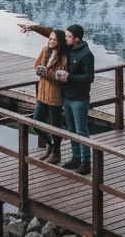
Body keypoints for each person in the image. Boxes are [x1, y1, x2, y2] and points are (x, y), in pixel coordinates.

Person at [19, 20, 95, 175]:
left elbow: (89, 78)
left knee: (81, 130)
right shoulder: (69, 48)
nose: (66, 39)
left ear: (76, 39)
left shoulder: (85, 54)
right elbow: (52, 34)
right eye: (65, 37)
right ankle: (75, 158)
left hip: (78, 98)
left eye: (69, 37)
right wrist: (34, 28)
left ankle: (85, 162)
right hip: (67, 96)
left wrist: (68, 77)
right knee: (71, 129)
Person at [30, 28, 68, 164]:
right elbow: (36, 64)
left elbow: (60, 75)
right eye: (50, 38)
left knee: (55, 126)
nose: (50, 41)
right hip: (42, 94)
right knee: (36, 122)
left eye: (54, 40)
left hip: (55, 95)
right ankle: (50, 145)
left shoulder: (64, 56)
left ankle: (56, 153)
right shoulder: (45, 50)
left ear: (60, 42)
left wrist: (46, 73)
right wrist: (38, 70)